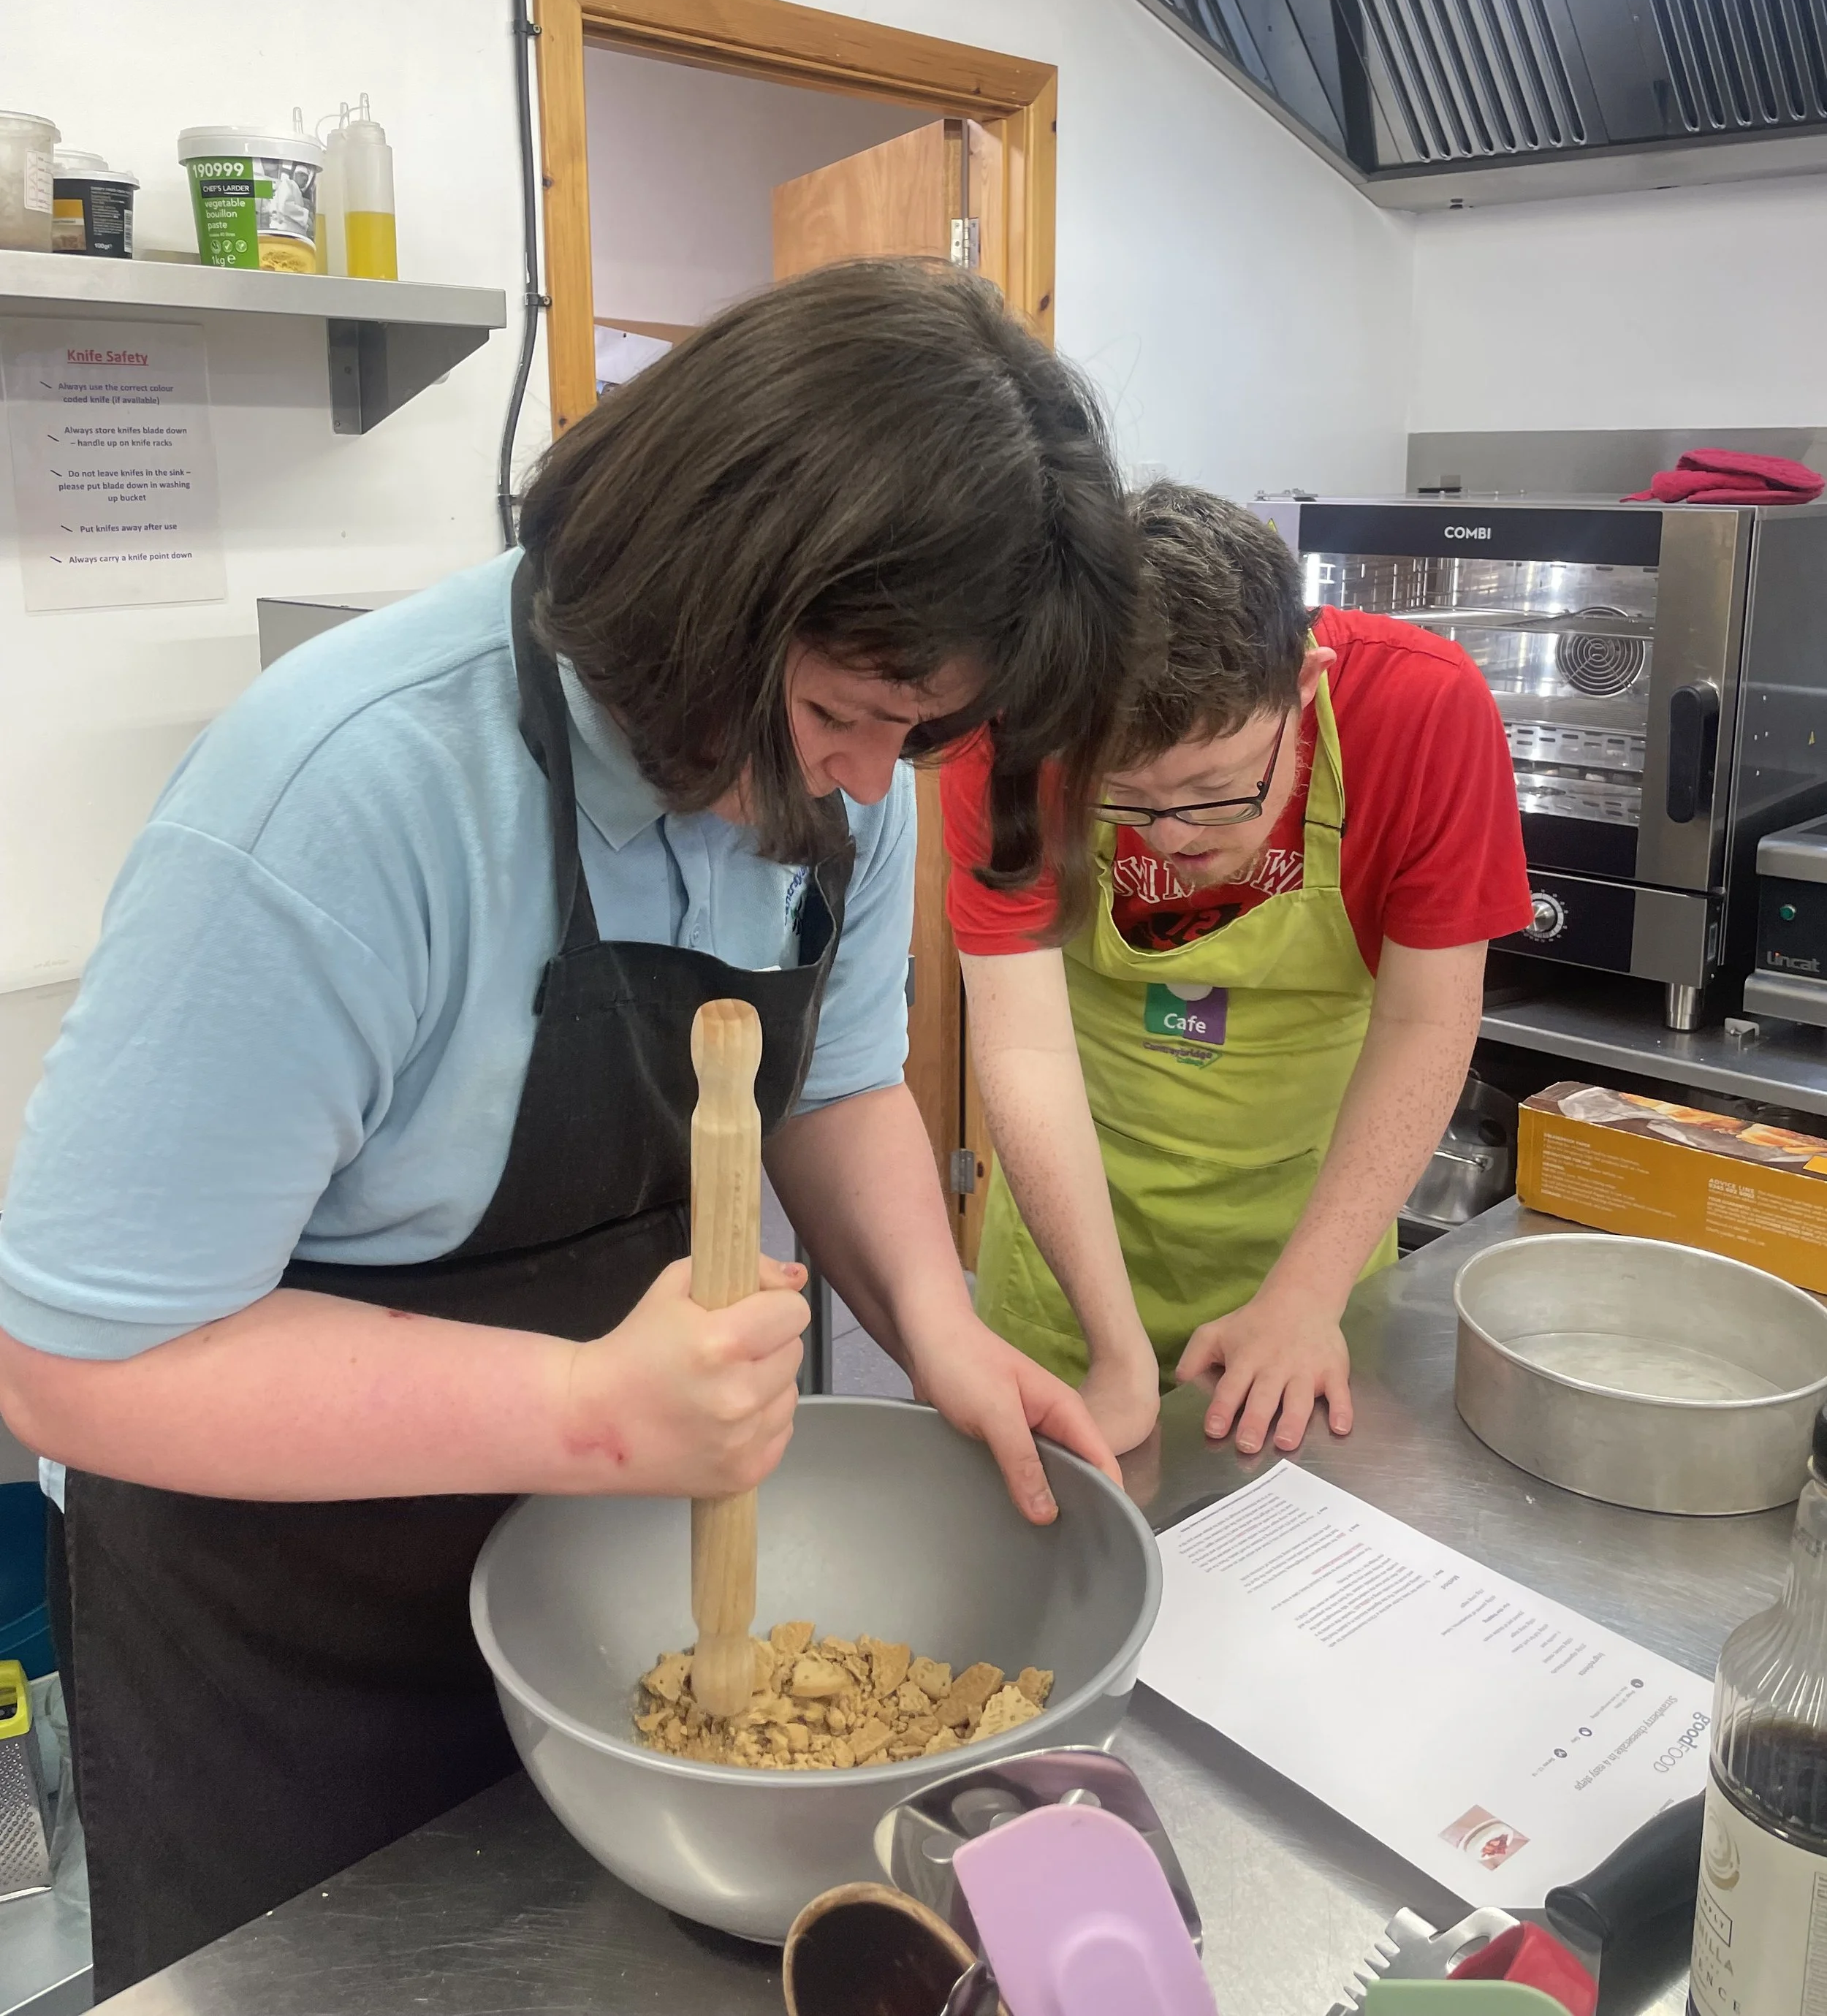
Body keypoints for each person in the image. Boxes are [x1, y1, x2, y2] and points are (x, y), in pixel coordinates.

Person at [0, 260, 1139, 1995]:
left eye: (916, 733)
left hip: (628, 1637)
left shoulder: (858, 764)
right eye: (842, 716)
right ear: (702, 591)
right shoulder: (343, 799)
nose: (866, 783)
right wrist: (589, 1410)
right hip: (294, 1656)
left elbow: (829, 1083)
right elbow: (69, 1361)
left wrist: (938, 1326)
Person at [942, 482, 1530, 1461]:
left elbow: (1426, 1024)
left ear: (1304, 688)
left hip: (1312, 1234)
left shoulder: (1423, 708)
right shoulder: (1015, 727)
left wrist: (1306, 1299)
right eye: (1124, 800)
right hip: (1075, 1242)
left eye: (1217, 794)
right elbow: (1023, 1043)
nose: (1171, 840)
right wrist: (1114, 1348)